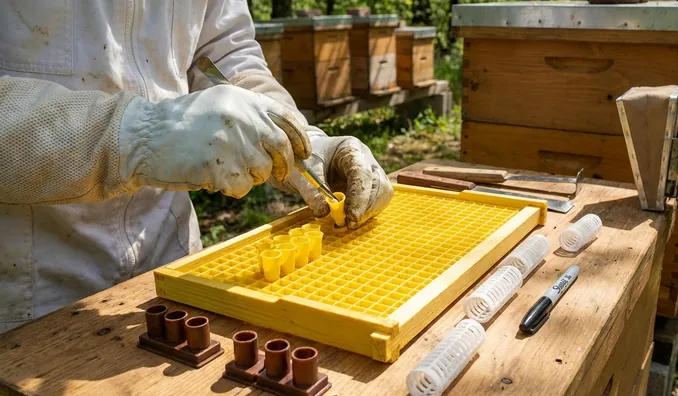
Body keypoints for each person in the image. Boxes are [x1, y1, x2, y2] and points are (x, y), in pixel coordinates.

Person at [0, 1, 394, 334]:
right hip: (31, 290)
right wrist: (141, 136)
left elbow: (222, 55)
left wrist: (299, 142)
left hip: (172, 265)